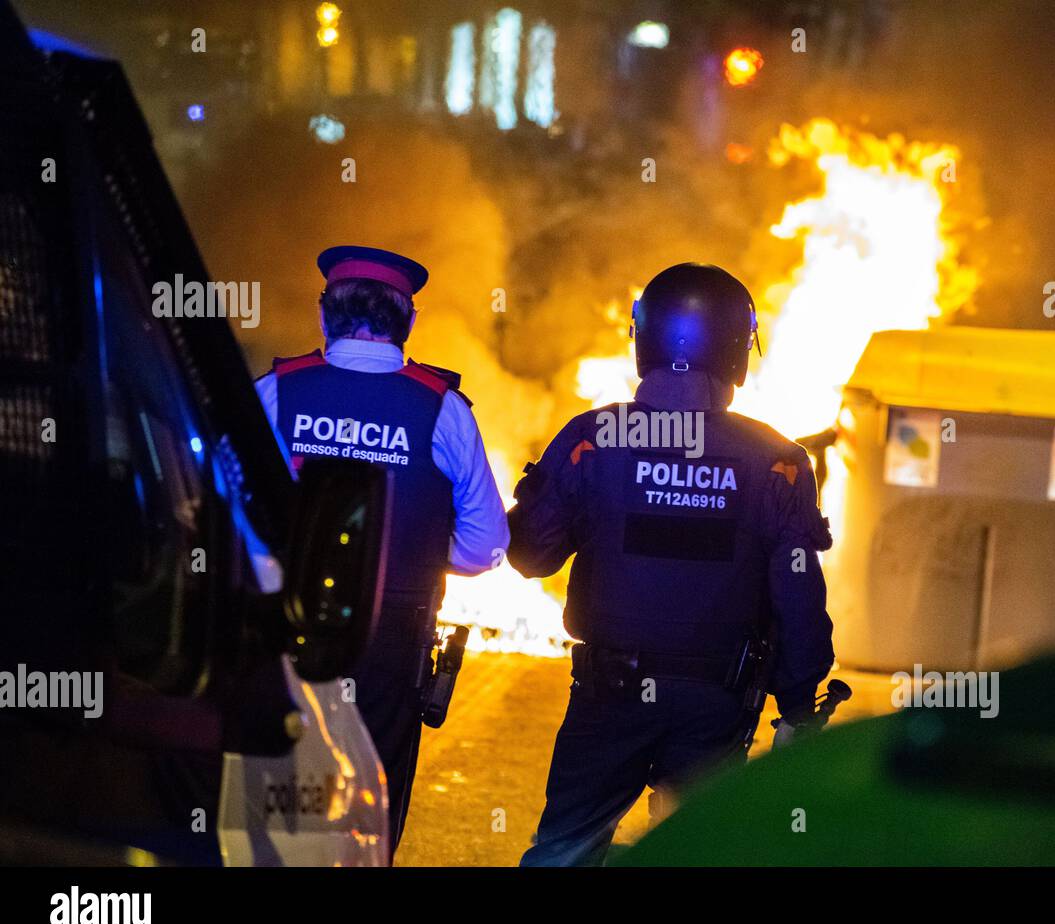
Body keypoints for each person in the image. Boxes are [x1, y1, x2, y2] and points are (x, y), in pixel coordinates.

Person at [508, 262, 834, 866]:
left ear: (645, 339)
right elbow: (798, 596)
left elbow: (530, 556)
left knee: (564, 855)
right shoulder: (777, 460)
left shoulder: (592, 438)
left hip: (609, 696)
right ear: (740, 350)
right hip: (717, 705)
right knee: (694, 856)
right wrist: (796, 707)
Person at [254, 245, 508, 858]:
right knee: (373, 802)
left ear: (325, 317)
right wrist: (413, 545)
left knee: (270, 792)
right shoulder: (443, 408)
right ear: (408, 322)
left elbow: (226, 509)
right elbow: (485, 546)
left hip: (282, 629)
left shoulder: (275, 391)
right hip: (391, 642)